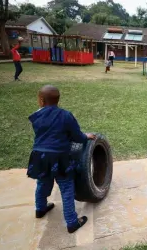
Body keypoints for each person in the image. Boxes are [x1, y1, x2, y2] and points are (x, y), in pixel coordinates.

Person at [27, 85, 96, 234]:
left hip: (40, 156)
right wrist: (86, 137)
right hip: (60, 157)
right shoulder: (65, 115)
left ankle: (40, 208)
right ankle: (71, 222)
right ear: (58, 100)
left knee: (42, 183)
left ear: (41, 100)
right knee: (66, 188)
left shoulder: (36, 115)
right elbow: (77, 137)